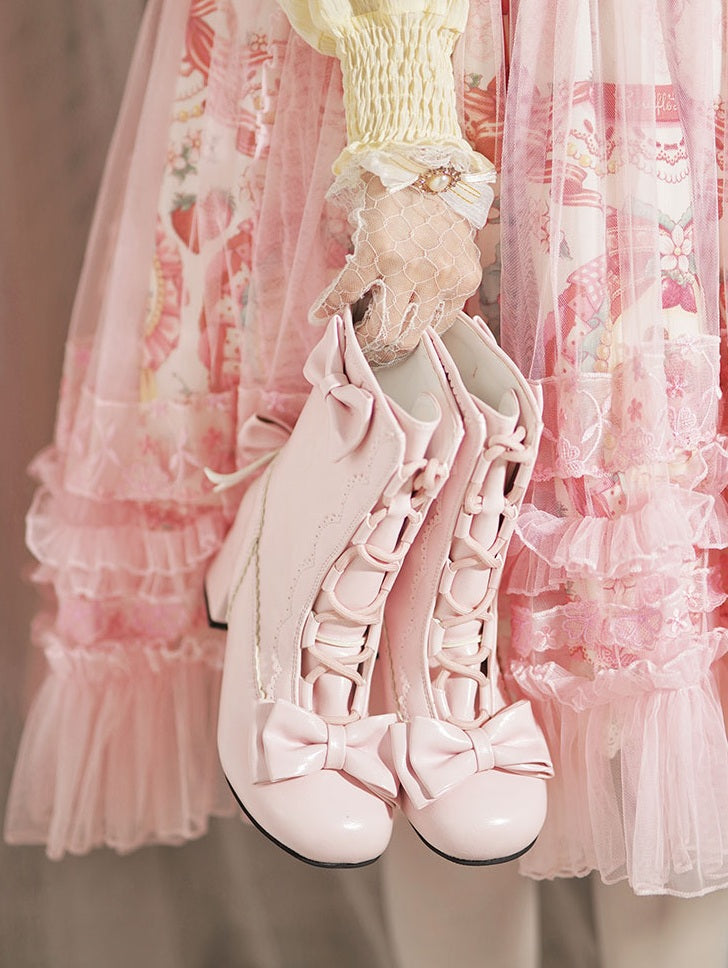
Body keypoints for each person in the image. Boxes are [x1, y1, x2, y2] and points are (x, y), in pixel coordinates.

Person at [5, 0, 728, 962]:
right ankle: (365, 625)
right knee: (420, 473)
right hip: (435, 44)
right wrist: (407, 142)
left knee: (655, 655)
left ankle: (323, 587)